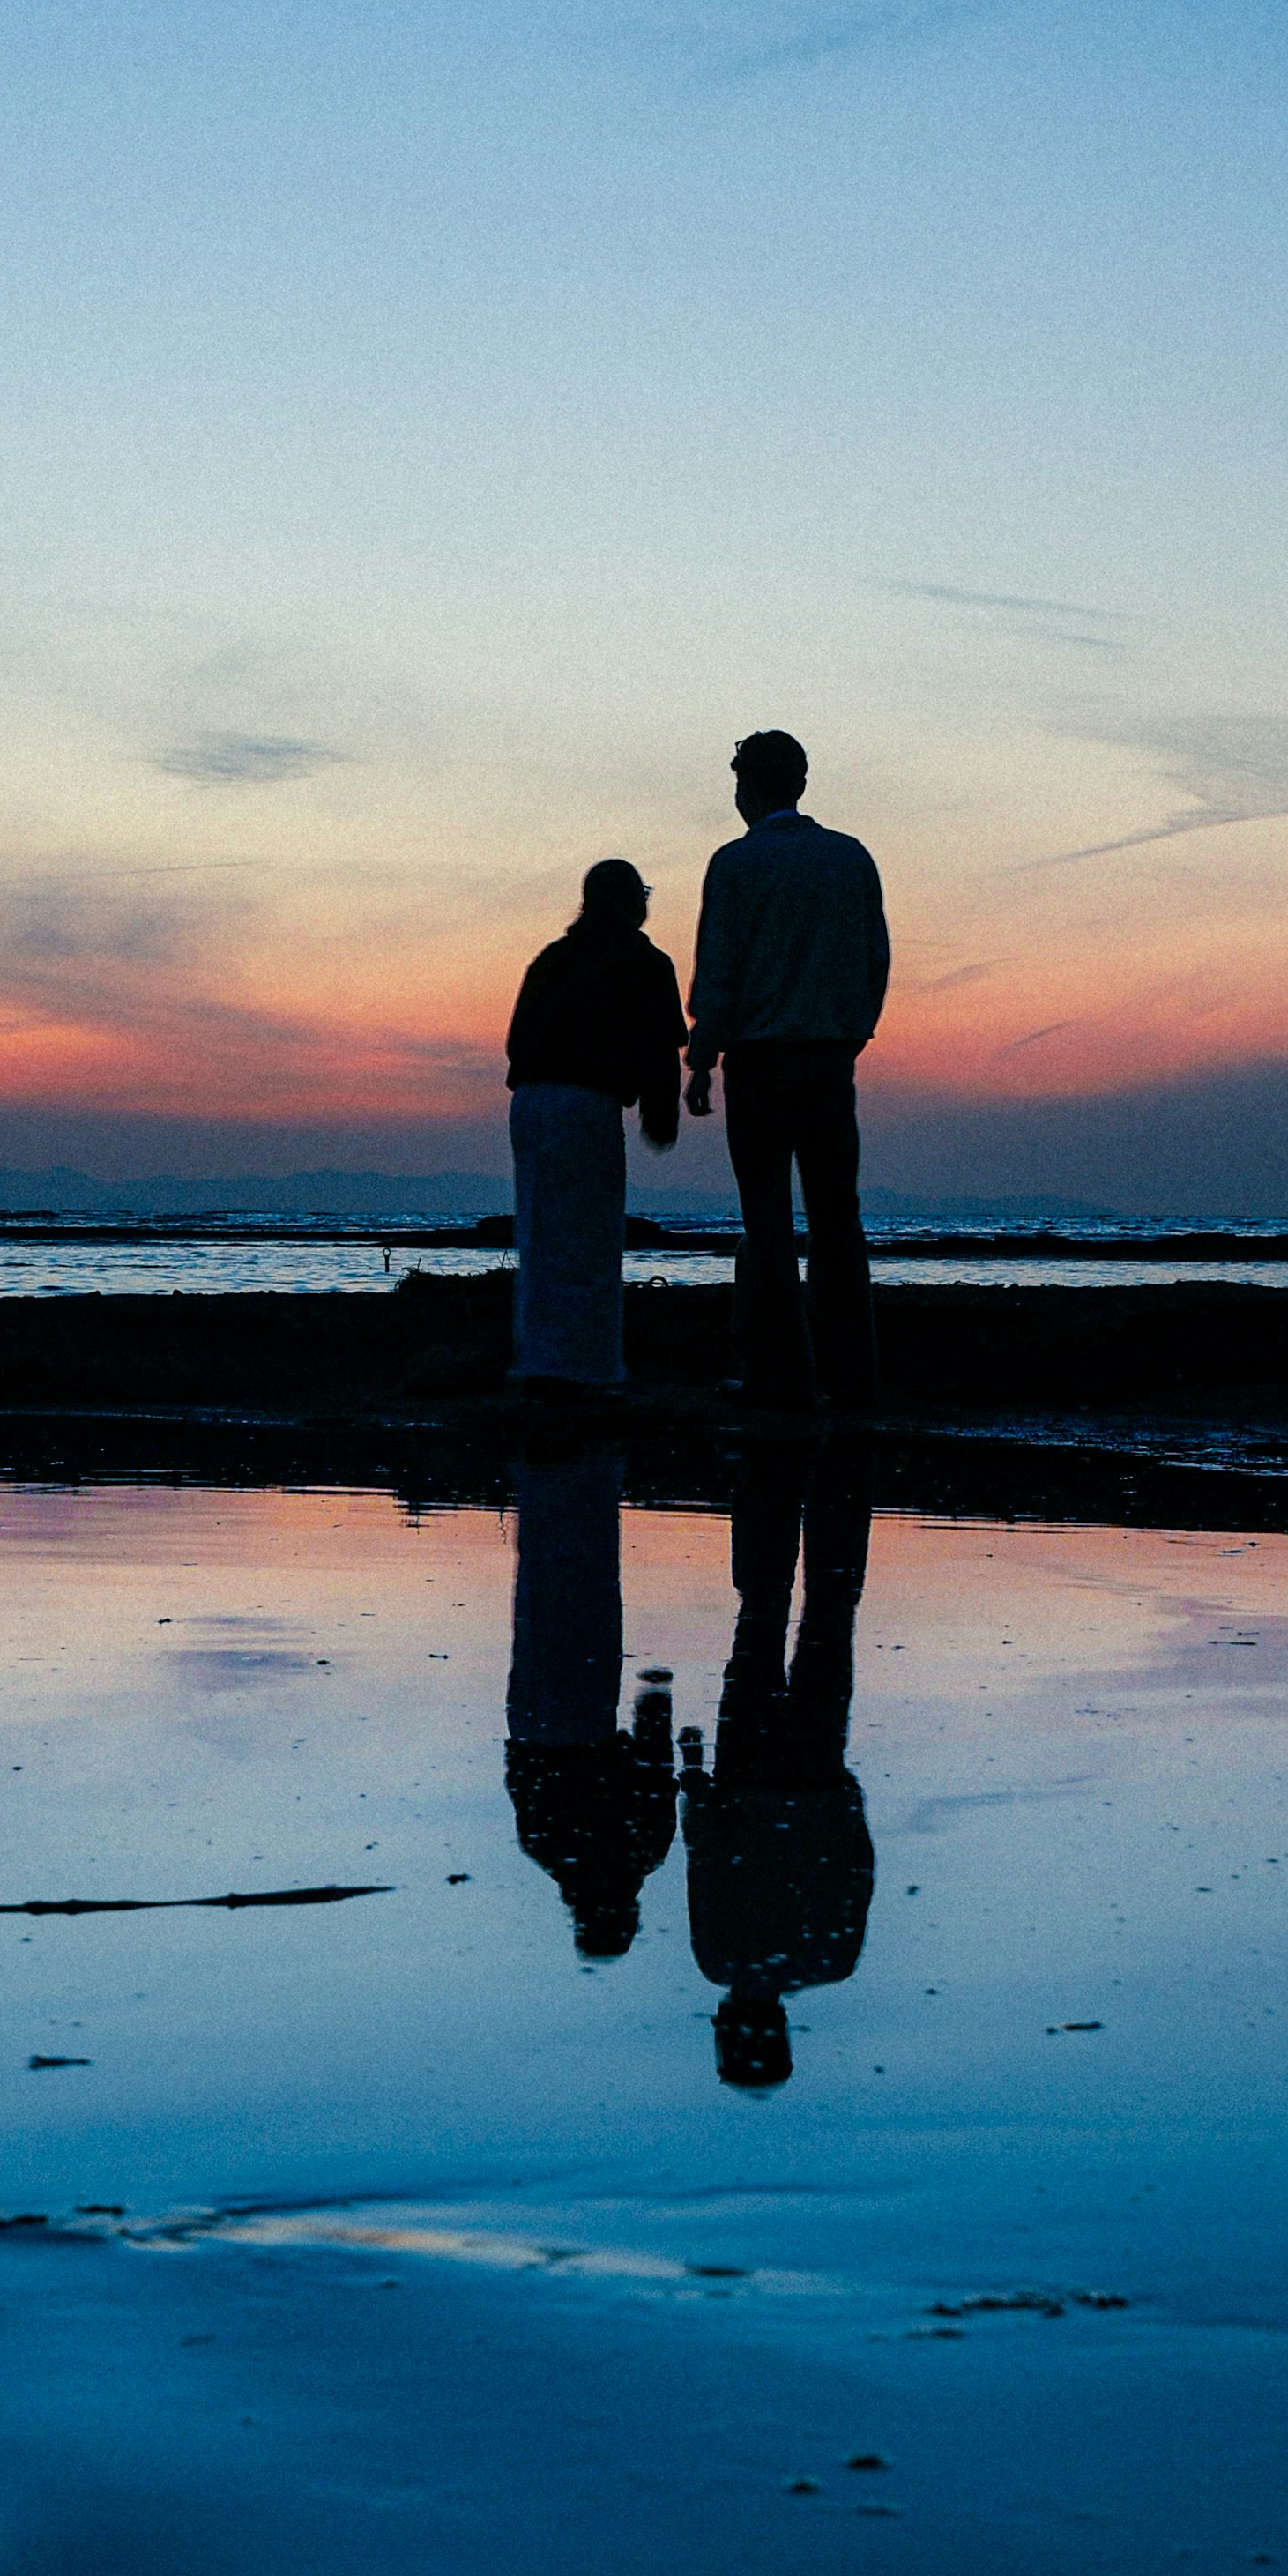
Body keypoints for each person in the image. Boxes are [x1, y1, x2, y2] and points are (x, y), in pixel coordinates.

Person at [681, 728, 888, 1416]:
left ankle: (780, 1377)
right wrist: (851, 1034)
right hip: (829, 1060)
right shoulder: (850, 858)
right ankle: (851, 1375)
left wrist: (703, 1055)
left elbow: (720, 970)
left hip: (761, 1062)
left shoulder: (736, 864)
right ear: (799, 784)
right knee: (838, 1218)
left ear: (748, 788)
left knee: (766, 1219)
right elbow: (875, 961)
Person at [681, 1452, 875, 2087]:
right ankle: (773, 1472)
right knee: (758, 1620)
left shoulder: (835, 1960)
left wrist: (847, 1800)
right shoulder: (718, 1960)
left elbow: (861, 1868)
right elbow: (706, 1855)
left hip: (818, 1780)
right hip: (748, 1777)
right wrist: (693, 1776)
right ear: (730, 2029)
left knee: (831, 1615)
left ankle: (838, 1477)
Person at [503, 856, 687, 1395]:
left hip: (531, 1101)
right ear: (634, 903)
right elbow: (659, 1051)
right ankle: (584, 1367)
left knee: (540, 1233)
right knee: (591, 1236)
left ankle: (539, 1360)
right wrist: (661, 1115)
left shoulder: (554, 958)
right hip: (586, 1103)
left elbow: (515, 1042)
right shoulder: (646, 961)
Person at [503, 1443, 678, 1961]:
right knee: (549, 1601)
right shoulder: (546, 1848)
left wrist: (655, 1703)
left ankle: (568, 1478)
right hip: (536, 1725)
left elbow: (655, 1768)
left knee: (576, 1603)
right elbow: (519, 1775)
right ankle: (559, 1482)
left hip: (576, 1728)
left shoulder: (638, 1853)